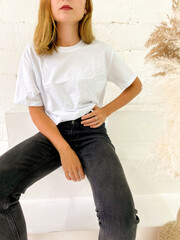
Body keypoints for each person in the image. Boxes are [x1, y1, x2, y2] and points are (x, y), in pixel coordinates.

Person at [0, 0, 142, 239]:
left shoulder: (100, 50)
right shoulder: (34, 52)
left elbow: (134, 85)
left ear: (86, 8)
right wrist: (64, 149)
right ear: (48, 6)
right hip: (53, 134)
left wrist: (105, 111)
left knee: (121, 217)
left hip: (92, 133)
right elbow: (36, 110)